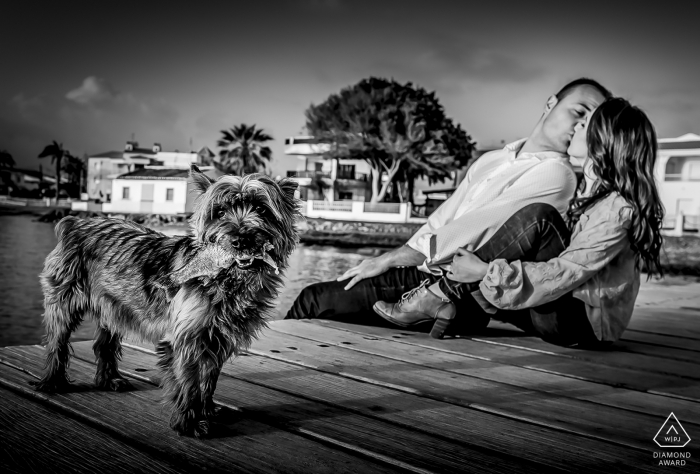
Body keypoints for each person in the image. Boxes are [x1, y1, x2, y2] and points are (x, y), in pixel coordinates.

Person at [285, 78, 612, 336]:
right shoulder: (493, 159)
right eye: (579, 112)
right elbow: (442, 218)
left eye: (590, 123)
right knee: (325, 301)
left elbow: (471, 231)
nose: (580, 126)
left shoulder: (556, 173)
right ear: (551, 103)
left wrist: (391, 259)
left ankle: (266, 373)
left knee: (316, 299)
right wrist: (387, 261)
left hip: (453, 288)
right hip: (430, 276)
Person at [375, 97, 664, 347]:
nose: (575, 127)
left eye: (584, 124)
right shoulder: (590, 194)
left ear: (604, 140)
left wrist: (484, 270)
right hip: (559, 307)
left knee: (540, 216)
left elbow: (567, 272)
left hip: (581, 325)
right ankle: (453, 306)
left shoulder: (617, 209)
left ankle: (439, 295)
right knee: (532, 223)